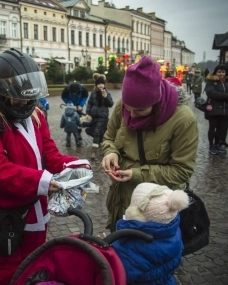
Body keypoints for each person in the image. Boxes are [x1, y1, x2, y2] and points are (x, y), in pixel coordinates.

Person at [0, 48, 90, 285]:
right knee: (8, 271)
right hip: (6, 213)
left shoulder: (35, 115)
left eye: (27, 96)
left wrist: (77, 165)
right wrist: (43, 182)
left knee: (35, 266)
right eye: (18, 96)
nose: (24, 102)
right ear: (1, 92)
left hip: (35, 207)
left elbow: (49, 154)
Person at [101, 56, 198, 232]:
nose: (132, 115)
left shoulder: (183, 119)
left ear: (156, 101)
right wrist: (111, 151)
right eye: (128, 108)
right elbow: (109, 136)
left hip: (156, 210)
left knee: (151, 256)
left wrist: (136, 174)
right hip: (121, 201)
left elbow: (181, 171)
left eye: (140, 110)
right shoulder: (123, 105)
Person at [113, 182, 189, 285]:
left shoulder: (130, 249)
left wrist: (107, 246)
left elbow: (115, 273)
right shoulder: (173, 231)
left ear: (137, 215)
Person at [82, 73, 113, 159]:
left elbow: (110, 104)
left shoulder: (107, 93)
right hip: (94, 116)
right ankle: (105, 150)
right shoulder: (93, 93)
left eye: (102, 84)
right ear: (96, 85)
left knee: (96, 132)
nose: (101, 85)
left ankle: (93, 152)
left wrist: (106, 97)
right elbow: (89, 103)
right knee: (102, 133)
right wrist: (88, 113)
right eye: (99, 84)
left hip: (103, 117)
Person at [204, 64, 228, 155]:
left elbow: (218, 94)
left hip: (225, 110)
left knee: (220, 129)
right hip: (213, 109)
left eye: (223, 72)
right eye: (219, 72)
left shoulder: (226, 82)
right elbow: (212, 93)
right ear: (215, 72)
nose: (221, 74)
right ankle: (211, 145)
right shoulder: (211, 81)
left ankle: (217, 144)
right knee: (212, 128)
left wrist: (222, 96)